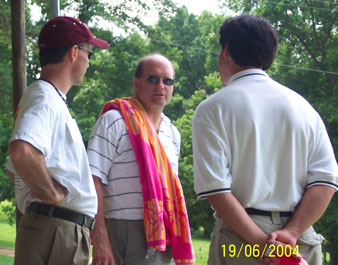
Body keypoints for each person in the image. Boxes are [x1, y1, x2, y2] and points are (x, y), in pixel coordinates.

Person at [192, 14, 338, 265]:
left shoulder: (212, 109)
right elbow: (326, 181)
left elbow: (217, 191)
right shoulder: (303, 107)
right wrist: (290, 234)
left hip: (241, 241)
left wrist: (266, 247)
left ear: (225, 50)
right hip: (299, 238)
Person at [6, 16, 108, 265]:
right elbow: (22, 152)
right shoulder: (45, 98)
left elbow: (14, 169)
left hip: (56, 228)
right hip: (57, 230)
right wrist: (50, 193)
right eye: (89, 53)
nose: (88, 62)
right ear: (75, 52)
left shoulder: (46, 97)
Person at [87, 53, 194, 265]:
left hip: (165, 234)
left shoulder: (172, 133)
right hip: (124, 229)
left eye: (167, 81)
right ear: (137, 84)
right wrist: (100, 235)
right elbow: (92, 178)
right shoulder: (114, 120)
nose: (160, 86)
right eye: (153, 79)